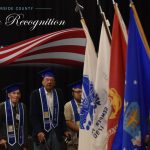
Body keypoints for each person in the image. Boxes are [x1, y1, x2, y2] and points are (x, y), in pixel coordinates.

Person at [30, 68, 70, 150]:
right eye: (47, 80)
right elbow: (33, 115)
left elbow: (61, 114)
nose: (49, 82)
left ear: (54, 82)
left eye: (51, 80)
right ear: (42, 82)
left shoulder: (59, 93)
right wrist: (38, 131)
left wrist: (64, 130)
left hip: (56, 132)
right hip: (42, 133)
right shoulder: (36, 94)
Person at [0, 83, 28, 150]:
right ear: (9, 95)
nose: (16, 95)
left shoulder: (22, 107)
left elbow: (25, 126)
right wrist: (0, 139)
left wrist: (25, 144)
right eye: (14, 93)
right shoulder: (2, 106)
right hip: (6, 143)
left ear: (20, 95)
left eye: (18, 93)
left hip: (20, 143)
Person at [64, 80, 82, 150]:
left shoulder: (88, 105)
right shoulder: (68, 105)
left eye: (81, 91)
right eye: (77, 92)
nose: (80, 94)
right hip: (73, 141)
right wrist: (82, 131)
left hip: (86, 140)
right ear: (73, 93)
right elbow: (68, 122)